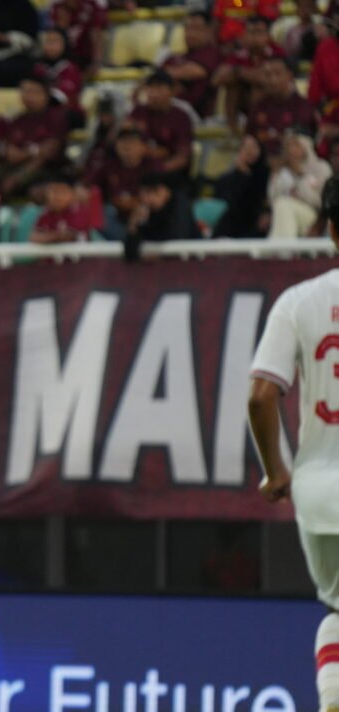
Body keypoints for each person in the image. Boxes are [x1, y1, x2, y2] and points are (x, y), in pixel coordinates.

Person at [247, 175, 339, 712]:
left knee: (337, 610)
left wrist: (275, 470)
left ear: (331, 230)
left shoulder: (299, 301)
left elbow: (261, 396)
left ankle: (332, 699)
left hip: (319, 494)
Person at [267, 131, 333, 239]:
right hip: (284, 213)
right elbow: (272, 199)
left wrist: (300, 176)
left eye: (296, 145)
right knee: (282, 204)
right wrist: (275, 176)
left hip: (314, 217)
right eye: (288, 146)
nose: (291, 150)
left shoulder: (321, 168)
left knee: (284, 204)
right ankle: (284, 247)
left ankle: (281, 248)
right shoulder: (282, 171)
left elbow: (323, 202)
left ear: (306, 146)